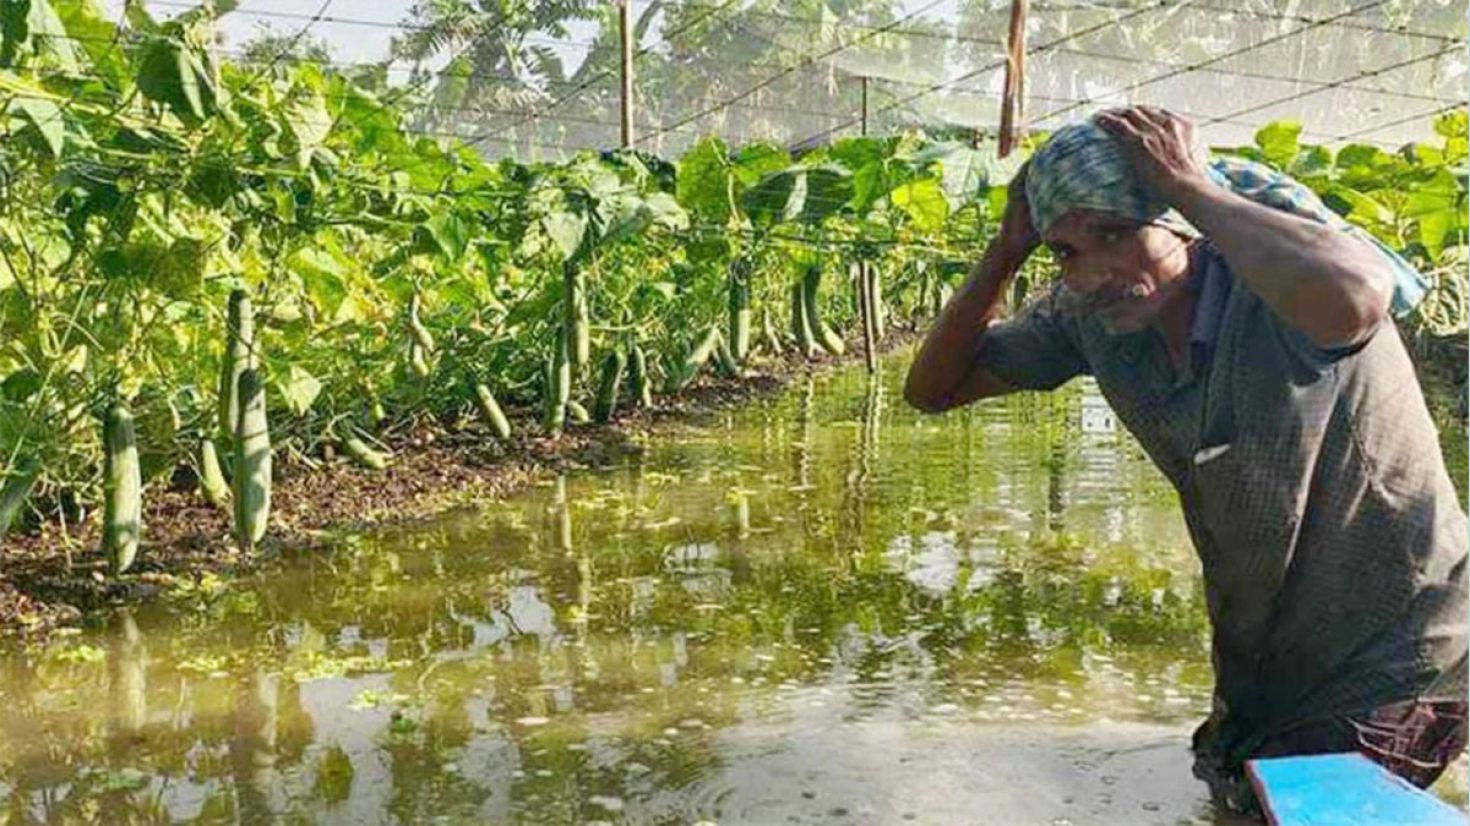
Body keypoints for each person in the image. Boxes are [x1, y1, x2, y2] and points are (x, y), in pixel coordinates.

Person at [903, 105, 1468, 816]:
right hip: (1270, 666)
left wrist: (1187, 182)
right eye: (1068, 251)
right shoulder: (1093, 321)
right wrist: (1006, 251)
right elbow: (932, 390)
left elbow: (1358, 296)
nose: (1096, 271)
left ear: (1179, 225)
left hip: (1402, 650)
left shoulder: (1280, 289)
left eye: (1116, 233)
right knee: (1227, 797)